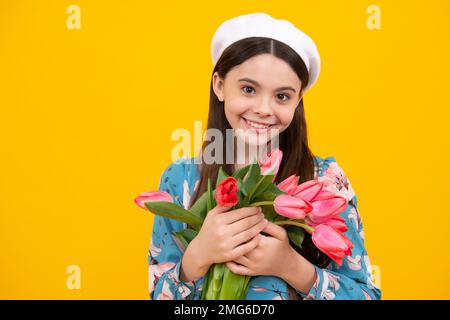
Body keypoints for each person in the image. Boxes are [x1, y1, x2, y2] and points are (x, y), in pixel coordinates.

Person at [147, 12, 382, 300]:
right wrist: (196, 258)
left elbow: (366, 295)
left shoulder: (325, 181)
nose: (263, 109)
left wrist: (292, 267)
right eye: (248, 89)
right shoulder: (180, 180)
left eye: (282, 96)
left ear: (297, 102)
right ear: (219, 85)